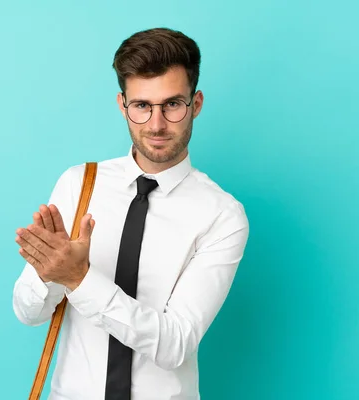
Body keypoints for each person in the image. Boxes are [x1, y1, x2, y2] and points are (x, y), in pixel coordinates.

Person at [13, 27, 249, 400]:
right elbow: (29, 313)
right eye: (142, 106)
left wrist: (80, 278)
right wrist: (49, 274)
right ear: (123, 105)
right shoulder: (80, 184)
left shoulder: (221, 215)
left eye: (172, 104)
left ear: (196, 103)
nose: (156, 125)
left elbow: (174, 345)